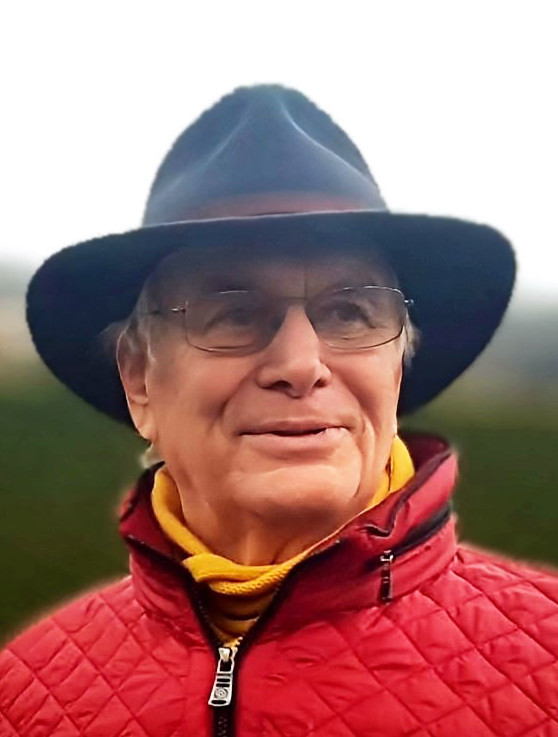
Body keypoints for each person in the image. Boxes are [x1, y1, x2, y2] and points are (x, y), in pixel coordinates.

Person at [1, 84, 557, 737]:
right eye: (234, 314)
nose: (300, 363)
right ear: (140, 378)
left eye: (349, 312)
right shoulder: (21, 698)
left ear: (398, 366)